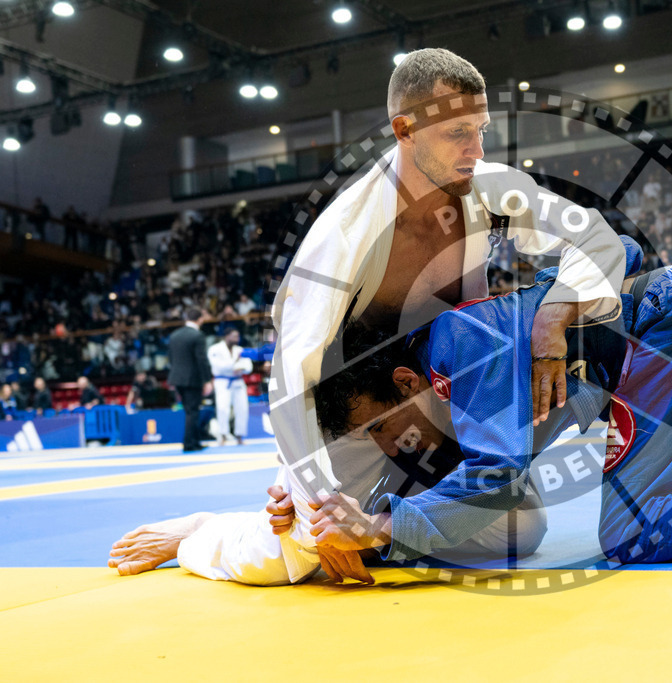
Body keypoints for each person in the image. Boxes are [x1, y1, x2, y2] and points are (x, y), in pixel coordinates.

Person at [112, 242, 672, 582]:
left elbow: (507, 502)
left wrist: (382, 529)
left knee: (617, 528)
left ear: (408, 382)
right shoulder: (432, 355)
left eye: (379, 426)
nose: (388, 445)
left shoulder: (460, 351)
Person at [110, 47, 624, 584]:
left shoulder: (489, 189)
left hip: (438, 398)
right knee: (299, 555)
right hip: (354, 417)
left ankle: (385, 529)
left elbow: (594, 235)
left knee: (518, 532)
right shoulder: (344, 235)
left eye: (481, 129)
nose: (476, 149)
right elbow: (292, 378)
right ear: (405, 130)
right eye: (457, 134)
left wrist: (551, 324)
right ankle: (205, 531)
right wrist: (315, 496)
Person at [167, 307, 213, 453]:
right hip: (192, 379)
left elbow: (171, 358)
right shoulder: (197, 335)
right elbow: (201, 360)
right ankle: (190, 444)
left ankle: (194, 442)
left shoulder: (174, 335)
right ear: (199, 319)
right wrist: (207, 380)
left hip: (177, 378)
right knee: (193, 412)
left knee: (189, 411)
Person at [207, 328, 253, 446]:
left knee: (242, 408)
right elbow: (218, 366)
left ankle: (239, 436)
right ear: (226, 336)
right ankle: (222, 435)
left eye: (238, 336)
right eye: (234, 336)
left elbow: (248, 366)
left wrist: (239, 367)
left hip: (238, 382)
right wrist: (235, 364)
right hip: (222, 382)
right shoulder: (215, 349)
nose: (237, 339)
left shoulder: (240, 349)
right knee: (223, 408)